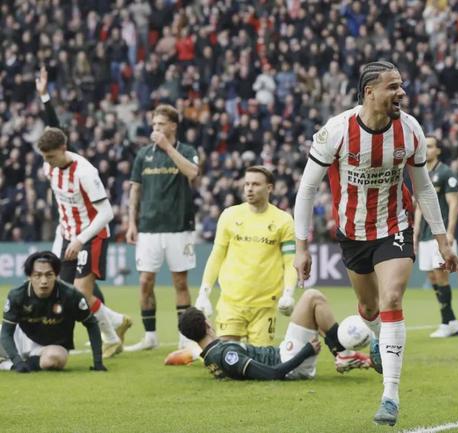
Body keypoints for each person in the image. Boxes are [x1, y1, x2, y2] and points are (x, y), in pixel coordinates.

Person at [293, 61, 458, 426]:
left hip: (394, 227)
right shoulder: (336, 131)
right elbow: (307, 189)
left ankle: (390, 396)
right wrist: (302, 247)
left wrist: (442, 241)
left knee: (392, 299)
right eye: (393, 87)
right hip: (353, 233)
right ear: (369, 92)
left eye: (401, 85)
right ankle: (374, 340)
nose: (402, 92)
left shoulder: (410, 129)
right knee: (369, 308)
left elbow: (423, 188)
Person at [35, 67, 131, 359]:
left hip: (92, 235)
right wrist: (44, 97)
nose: (48, 162)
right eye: (45, 158)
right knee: (67, 293)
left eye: (51, 156)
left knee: (79, 294)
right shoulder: (51, 162)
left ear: (64, 149)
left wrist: (80, 239)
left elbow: (107, 213)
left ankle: (111, 337)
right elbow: (53, 128)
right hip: (67, 234)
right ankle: (116, 322)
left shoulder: (85, 172)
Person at [194, 166, 298, 347]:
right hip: (231, 302)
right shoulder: (230, 215)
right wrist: (204, 293)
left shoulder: (284, 220)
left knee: (259, 360)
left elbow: (290, 262)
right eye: (247, 184)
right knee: (227, 357)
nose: (249, 188)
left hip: (265, 305)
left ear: (269, 188)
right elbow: (217, 255)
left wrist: (289, 293)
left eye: (256, 184)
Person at [125, 103, 199, 352]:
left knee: (180, 283)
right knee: (145, 281)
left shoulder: (187, 150)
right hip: (148, 228)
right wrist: (132, 222)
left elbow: (192, 173)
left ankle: (185, 338)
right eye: (154, 124)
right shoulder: (143, 155)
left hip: (179, 227)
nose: (155, 128)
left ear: (173, 126)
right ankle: (150, 336)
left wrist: (168, 148)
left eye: (161, 124)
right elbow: (135, 190)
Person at [178, 289, 371, 379]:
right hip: (289, 360)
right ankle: (344, 354)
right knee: (313, 297)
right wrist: (306, 351)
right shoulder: (226, 355)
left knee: (313, 314)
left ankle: (344, 354)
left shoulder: (212, 354)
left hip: (284, 353)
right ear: (207, 325)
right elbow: (273, 373)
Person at [0, 251, 107, 372]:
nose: (44, 281)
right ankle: (15, 363)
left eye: (49, 275)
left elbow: (91, 324)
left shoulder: (71, 295)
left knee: (55, 359)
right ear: (29, 277)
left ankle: (8, 365)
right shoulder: (17, 295)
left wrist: (98, 362)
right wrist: (17, 361)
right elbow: (6, 333)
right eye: (38, 275)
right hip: (20, 337)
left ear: (56, 275)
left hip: (51, 347)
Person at [414, 137, 458, 338]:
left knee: (440, 275)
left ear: (439, 150)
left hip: (440, 235)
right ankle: (452, 322)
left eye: (430, 146)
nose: (426, 150)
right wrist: (415, 233)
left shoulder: (446, 173)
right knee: (432, 276)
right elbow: (419, 206)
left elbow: (454, 204)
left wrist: (450, 232)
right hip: (425, 234)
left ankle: (445, 323)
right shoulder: (422, 173)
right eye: (424, 146)